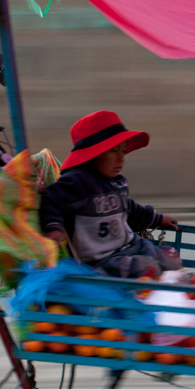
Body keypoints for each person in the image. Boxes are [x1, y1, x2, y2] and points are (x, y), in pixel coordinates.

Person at [39, 110, 180, 278]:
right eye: (113, 151)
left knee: (172, 260)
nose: (121, 158)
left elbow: (128, 208)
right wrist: (53, 227)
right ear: (92, 155)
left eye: (124, 150)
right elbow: (51, 198)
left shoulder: (116, 182)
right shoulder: (78, 181)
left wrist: (156, 218)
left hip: (132, 244)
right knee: (148, 269)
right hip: (102, 259)